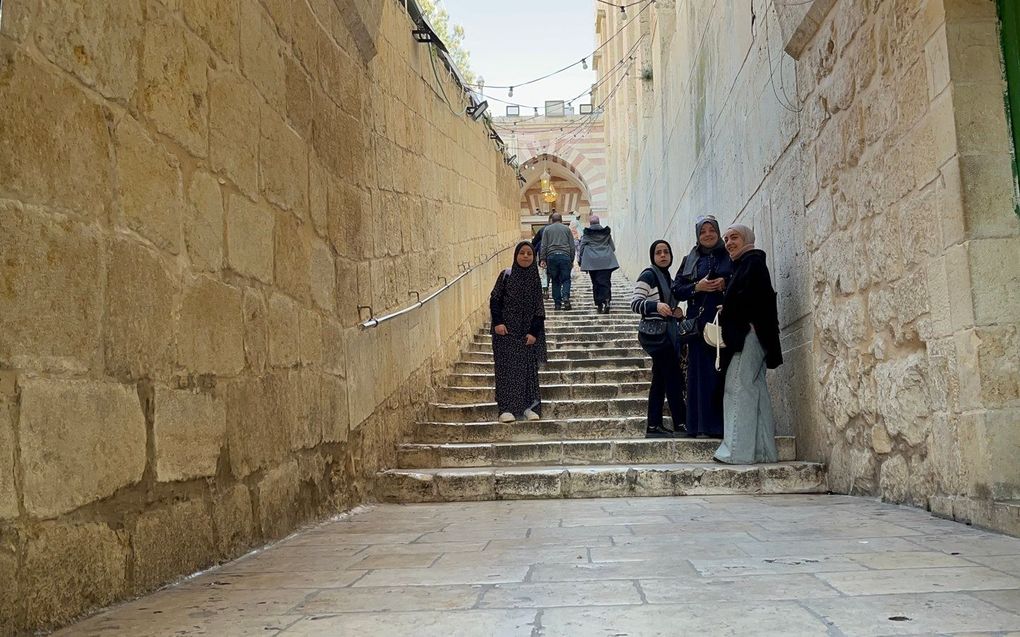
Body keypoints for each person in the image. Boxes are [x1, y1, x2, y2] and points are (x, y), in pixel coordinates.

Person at [713, 224, 783, 464]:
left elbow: (750, 298)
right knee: (757, 391)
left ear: (747, 239)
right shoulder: (749, 263)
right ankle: (764, 451)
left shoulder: (751, 262)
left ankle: (735, 452)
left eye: (735, 237)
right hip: (757, 336)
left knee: (737, 389)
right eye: (727, 239)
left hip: (748, 336)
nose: (729, 242)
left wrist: (729, 310)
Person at [672, 215, 732, 438]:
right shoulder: (690, 259)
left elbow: (739, 279)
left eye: (711, 230)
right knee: (701, 376)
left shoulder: (728, 255)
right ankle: (703, 427)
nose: (708, 234)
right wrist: (698, 287)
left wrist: (725, 283)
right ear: (698, 235)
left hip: (724, 322)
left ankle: (725, 427)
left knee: (724, 374)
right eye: (703, 231)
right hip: (699, 325)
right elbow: (677, 289)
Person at [630, 240, 686, 438]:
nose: (663, 255)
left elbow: (667, 305)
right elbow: (635, 303)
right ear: (652, 257)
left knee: (661, 379)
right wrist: (656, 307)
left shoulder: (667, 277)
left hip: (666, 334)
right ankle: (680, 422)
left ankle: (654, 426)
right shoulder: (649, 275)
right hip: (655, 336)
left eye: (666, 252)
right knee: (672, 377)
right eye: (658, 252)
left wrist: (675, 311)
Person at [490, 242, 548, 423]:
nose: (525, 256)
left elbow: (539, 308)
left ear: (534, 257)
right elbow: (495, 300)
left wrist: (533, 333)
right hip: (505, 333)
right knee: (506, 370)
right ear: (516, 255)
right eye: (522, 253)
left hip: (526, 336)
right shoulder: (506, 275)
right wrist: (498, 322)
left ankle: (529, 407)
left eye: (529, 253)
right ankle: (505, 409)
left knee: (528, 371)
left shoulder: (535, 279)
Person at [578, 214, 620, 313]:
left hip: (592, 263)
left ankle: (599, 304)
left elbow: (582, 247)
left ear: (590, 223)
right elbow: (612, 248)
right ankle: (607, 300)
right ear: (599, 222)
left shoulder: (587, 234)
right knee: (605, 282)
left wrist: (581, 258)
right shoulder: (606, 233)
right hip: (606, 261)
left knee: (595, 283)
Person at [539, 213, 575, 310]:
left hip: (551, 257)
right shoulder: (567, 229)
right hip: (565, 256)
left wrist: (542, 258)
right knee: (566, 279)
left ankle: (557, 304)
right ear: (561, 219)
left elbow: (544, 245)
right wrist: (572, 259)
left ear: (552, 220)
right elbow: (572, 245)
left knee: (555, 280)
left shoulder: (547, 229)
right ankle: (566, 297)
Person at [532, 214, 552, 298]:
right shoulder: (562, 230)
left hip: (543, 255)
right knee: (552, 273)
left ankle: (545, 290)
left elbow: (534, 243)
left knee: (544, 273)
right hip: (554, 254)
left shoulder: (542, 230)